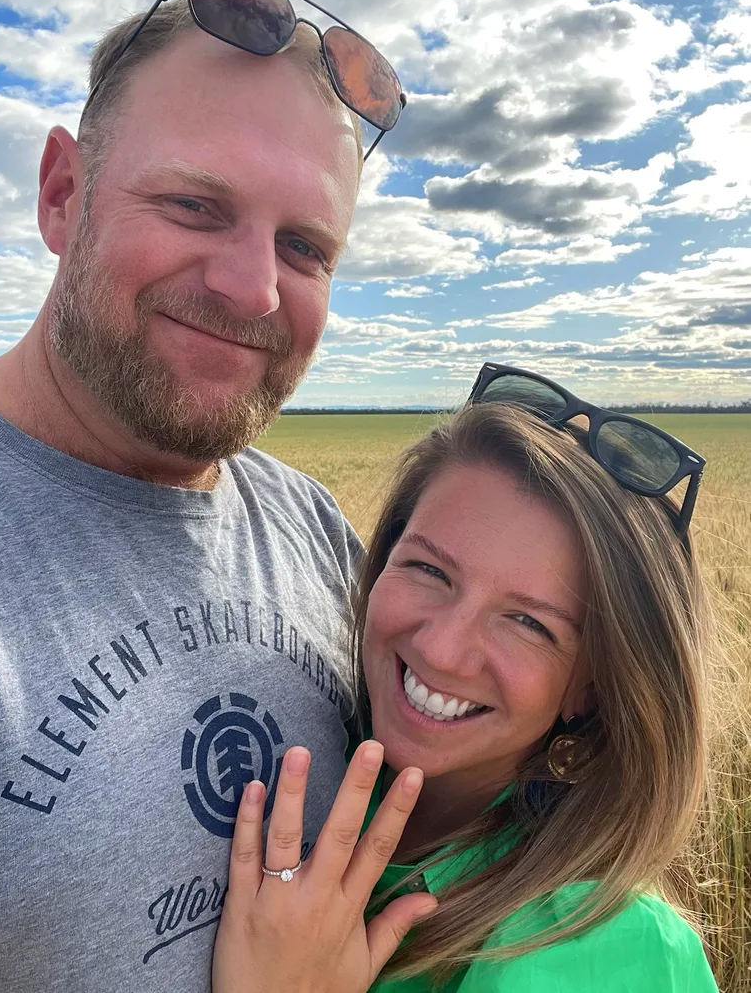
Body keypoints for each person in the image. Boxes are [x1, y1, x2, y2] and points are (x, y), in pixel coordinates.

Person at [0, 0, 406, 989]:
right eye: (196, 205)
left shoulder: (313, 532)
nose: (253, 288)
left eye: (304, 247)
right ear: (62, 195)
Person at [211, 364, 720, 992]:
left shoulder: (602, 951)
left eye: (529, 623)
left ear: (593, 688)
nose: (443, 651)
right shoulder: (316, 751)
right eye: (429, 570)